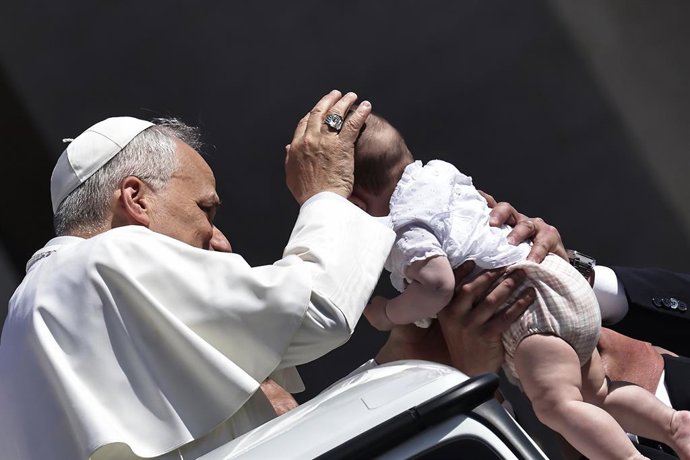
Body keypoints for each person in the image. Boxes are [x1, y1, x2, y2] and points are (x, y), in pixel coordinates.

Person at [0, 90, 565, 460]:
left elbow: (285, 444)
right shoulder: (98, 263)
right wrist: (325, 193)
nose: (220, 238)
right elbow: (317, 310)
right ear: (135, 200)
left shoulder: (51, 303)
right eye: (206, 210)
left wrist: (426, 350)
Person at [349, 112, 690, 460]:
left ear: (358, 206)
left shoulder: (405, 227)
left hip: (530, 317)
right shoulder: (439, 173)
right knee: (598, 394)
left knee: (556, 405)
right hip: (562, 281)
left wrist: (389, 313)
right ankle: (673, 424)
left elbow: (437, 285)